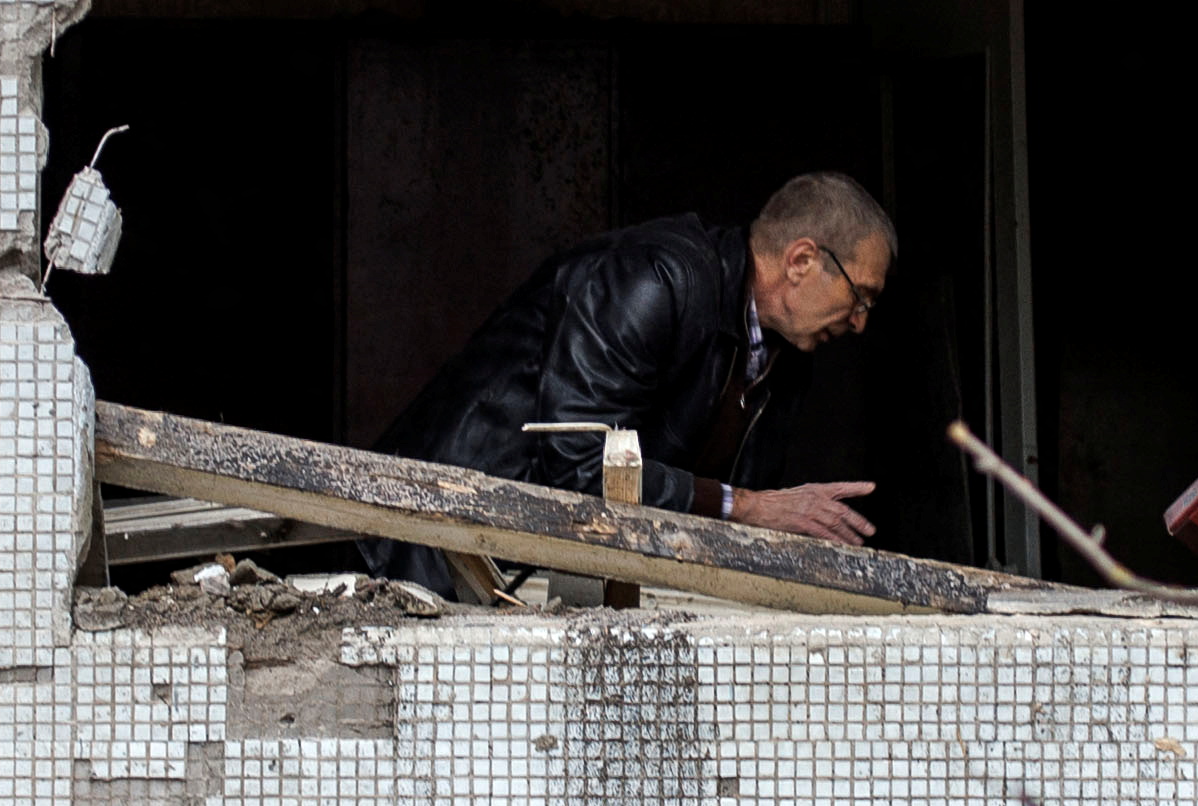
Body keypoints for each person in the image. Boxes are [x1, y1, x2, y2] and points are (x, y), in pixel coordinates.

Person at [368, 175, 894, 586]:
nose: (860, 321)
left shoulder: (785, 351)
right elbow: (579, 465)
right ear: (801, 260)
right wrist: (750, 506)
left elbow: (736, 513)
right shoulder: (656, 280)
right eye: (861, 295)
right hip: (437, 553)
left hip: (540, 567)